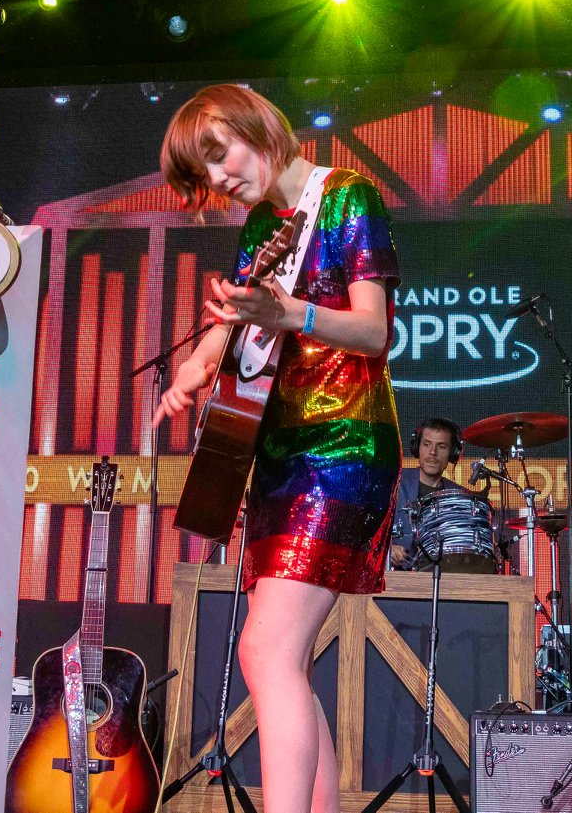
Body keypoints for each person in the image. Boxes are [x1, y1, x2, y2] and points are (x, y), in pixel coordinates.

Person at [154, 83, 400, 813]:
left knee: (265, 652)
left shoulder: (348, 195)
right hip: (276, 450)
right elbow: (236, 315)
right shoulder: (264, 222)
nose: (221, 180)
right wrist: (196, 367)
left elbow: (374, 332)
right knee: (278, 658)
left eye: (219, 155)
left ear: (255, 126)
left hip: (342, 441)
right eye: (207, 174)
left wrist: (287, 310)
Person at [388, 417, 469, 569]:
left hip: (444, 581)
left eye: (442, 446)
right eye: (426, 444)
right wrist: (386, 550)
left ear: (453, 453)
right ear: (416, 447)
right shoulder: (392, 483)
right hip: (394, 581)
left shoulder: (461, 497)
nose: (432, 452)